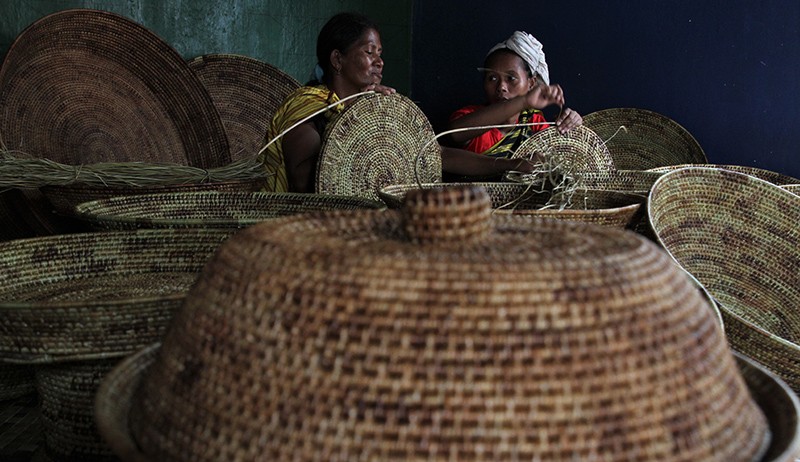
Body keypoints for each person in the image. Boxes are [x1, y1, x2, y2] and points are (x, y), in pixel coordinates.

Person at [260, 12, 540, 193]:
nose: (379, 61)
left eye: (380, 53)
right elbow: (301, 180)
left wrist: (510, 166)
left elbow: (434, 155)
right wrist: (359, 128)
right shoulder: (308, 108)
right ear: (337, 60)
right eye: (369, 52)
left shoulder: (374, 108)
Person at [446, 31, 583, 162]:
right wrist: (524, 101)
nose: (501, 87)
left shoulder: (533, 121)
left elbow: (560, 156)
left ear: (531, 83)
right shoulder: (469, 116)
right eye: (492, 78)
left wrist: (569, 126)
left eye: (511, 78)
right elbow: (455, 134)